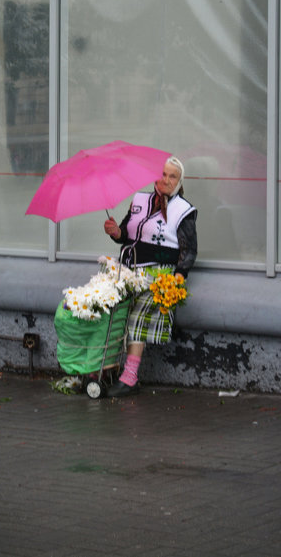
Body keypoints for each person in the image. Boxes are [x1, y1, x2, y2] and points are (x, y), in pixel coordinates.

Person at [103, 156, 197, 397]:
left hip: (159, 277)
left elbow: (189, 251)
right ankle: (101, 369)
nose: (165, 180)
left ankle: (130, 377)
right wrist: (116, 232)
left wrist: (178, 278)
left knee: (136, 317)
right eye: (163, 174)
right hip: (128, 273)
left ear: (179, 181)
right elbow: (126, 233)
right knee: (108, 312)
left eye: (172, 176)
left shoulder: (183, 210)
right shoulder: (140, 200)